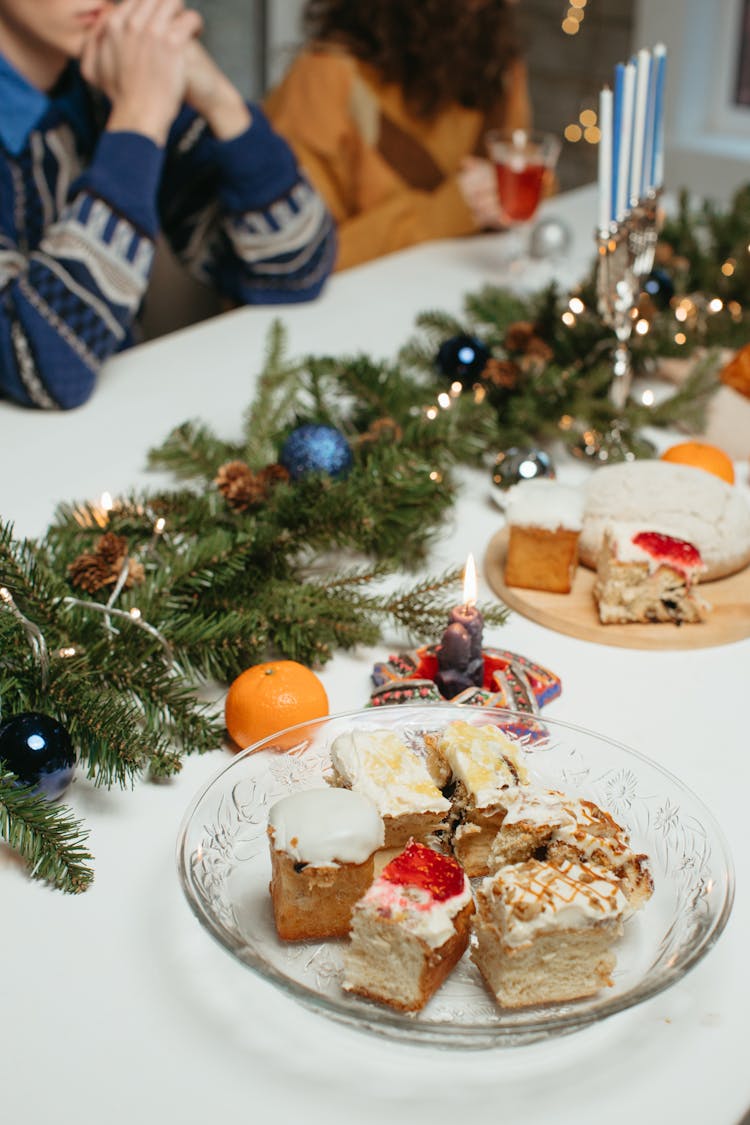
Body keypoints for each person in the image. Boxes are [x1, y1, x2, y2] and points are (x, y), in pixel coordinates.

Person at [0, 0, 336, 410]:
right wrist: (139, 119)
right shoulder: (132, 98)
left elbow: (295, 266)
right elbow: (38, 363)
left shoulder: (110, 79)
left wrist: (218, 99)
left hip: (109, 433)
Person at [264, 0, 531, 272]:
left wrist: (505, 198)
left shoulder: (496, 65)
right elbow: (300, 257)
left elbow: (531, 176)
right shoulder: (325, 78)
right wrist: (445, 214)